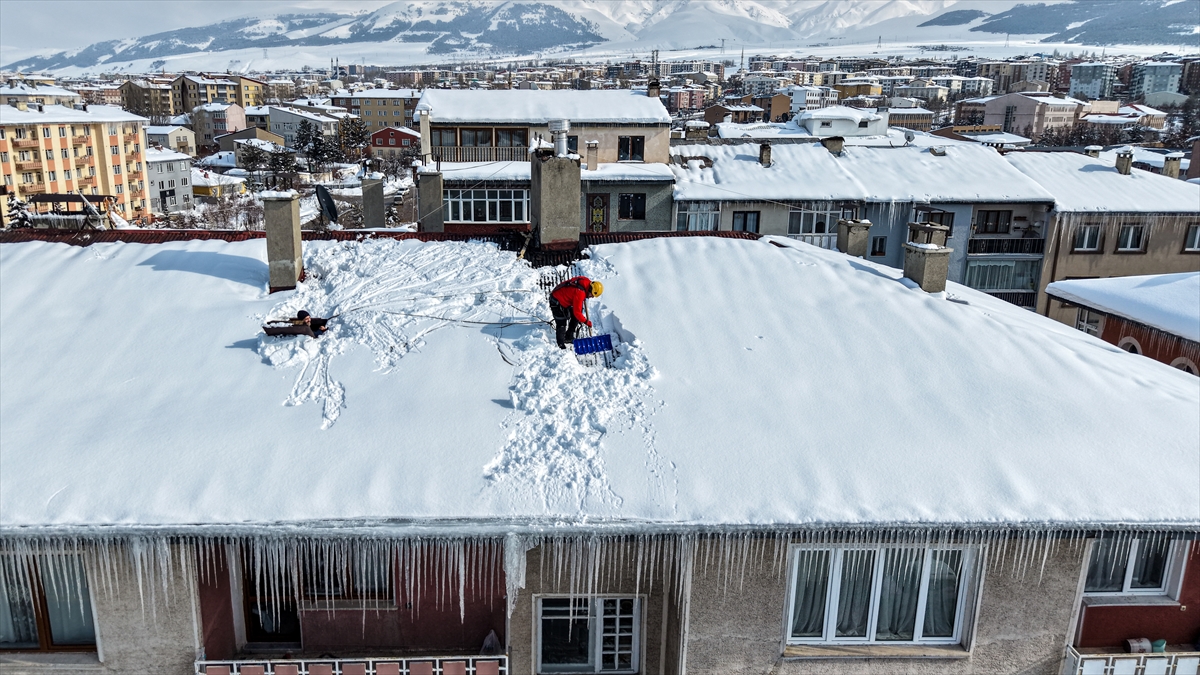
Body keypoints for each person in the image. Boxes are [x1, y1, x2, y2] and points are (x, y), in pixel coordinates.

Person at [549, 276, 603, 349]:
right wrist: (586, 321)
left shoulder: (586, 281)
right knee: (561, 323)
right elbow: (577, 313)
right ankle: (560, 345)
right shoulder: (580, 293)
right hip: (556, 300)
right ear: (590, 290)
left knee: (576, 316)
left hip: (564, 298)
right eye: (592, 295)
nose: (592, 297)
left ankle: (569, 336)